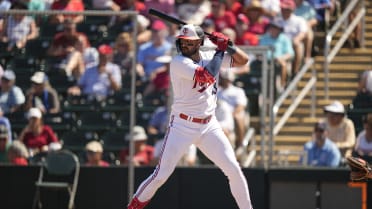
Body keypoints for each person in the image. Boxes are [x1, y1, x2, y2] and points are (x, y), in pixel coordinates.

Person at [126, 24, 253, 209]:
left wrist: (229, 45)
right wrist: (220, 50)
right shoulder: (178, 62)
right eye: (183, 42)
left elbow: (244, 60)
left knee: (233, 170)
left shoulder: (210, 56)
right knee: (161, 175)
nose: (185, 46)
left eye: (190, 42)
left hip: (209, 125)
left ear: (200, 43)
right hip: (182, 125)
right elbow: (206, 76)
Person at [217, 69, 249, 150]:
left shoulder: (238, 91)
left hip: (233, 113)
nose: (225, 81)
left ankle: (240, 143)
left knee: (239, 117)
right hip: (219, 114)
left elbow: (241, 105)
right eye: (224, 79)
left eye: (227, 79)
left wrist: (231, 114)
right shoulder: (217, 91)